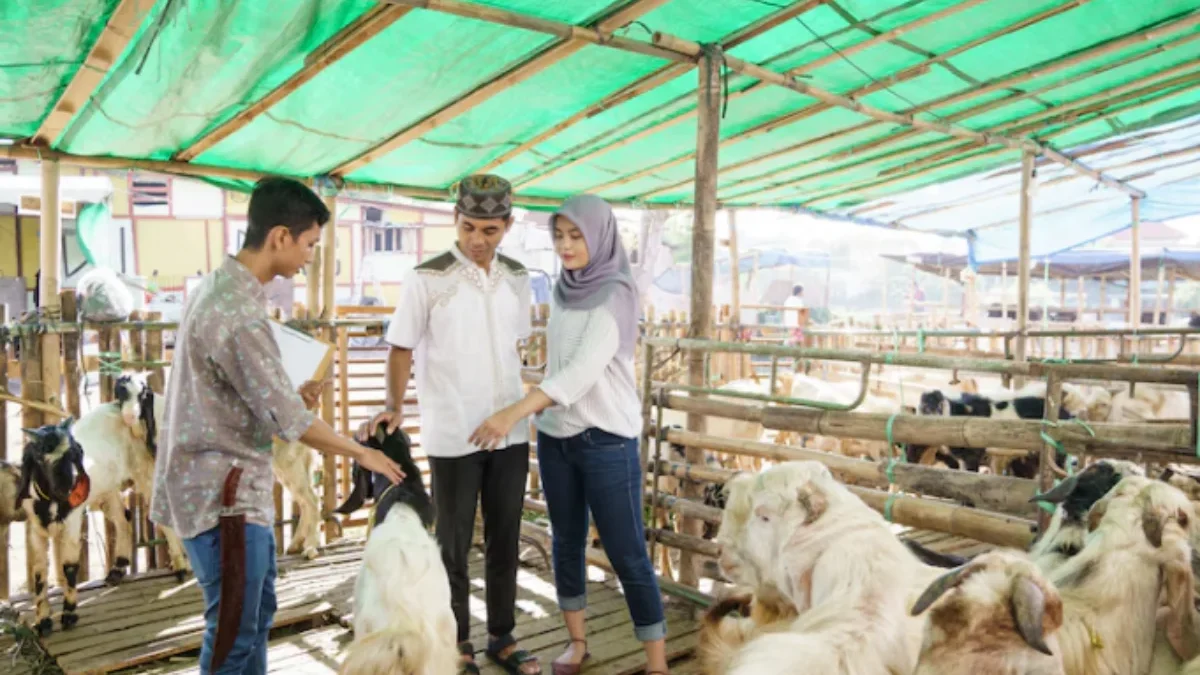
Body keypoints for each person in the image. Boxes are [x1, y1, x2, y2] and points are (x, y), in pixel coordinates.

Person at [150, 177, 404, 675]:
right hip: (225, 497)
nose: (311, 256)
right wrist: (363, 453)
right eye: (310, 244)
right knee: (232, 633)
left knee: (254, 619)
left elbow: (237, 390)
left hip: (226, 488)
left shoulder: (219, 287)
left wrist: (288, 396)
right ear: (280, 237)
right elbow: (291, 422)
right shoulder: (240, 311)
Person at [471, 194, 669, 675]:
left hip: (605, 440)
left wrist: (513, 412)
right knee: (566, 542)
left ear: (599, 235)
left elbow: (579, 373)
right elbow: (558, 364)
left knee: (627, 554)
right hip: (557, 438)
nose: (566, 245)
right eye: (559, 235)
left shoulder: (617, 292)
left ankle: (658, 665)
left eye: (576, 235)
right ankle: (577, 644)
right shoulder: (564, 288)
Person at [359, 174, 540, 675]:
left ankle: (502, 639)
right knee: (452, 545)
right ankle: (456, 644)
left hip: (509, 431)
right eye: (467, 228)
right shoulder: (427, 277)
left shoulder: (519, 277)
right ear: (454, 221)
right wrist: (394, 403)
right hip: (453, 432)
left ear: (507, 225)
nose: (477, 242)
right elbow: (401, 348)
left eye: (489, 231)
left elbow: (513, 346)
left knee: (505, 537)